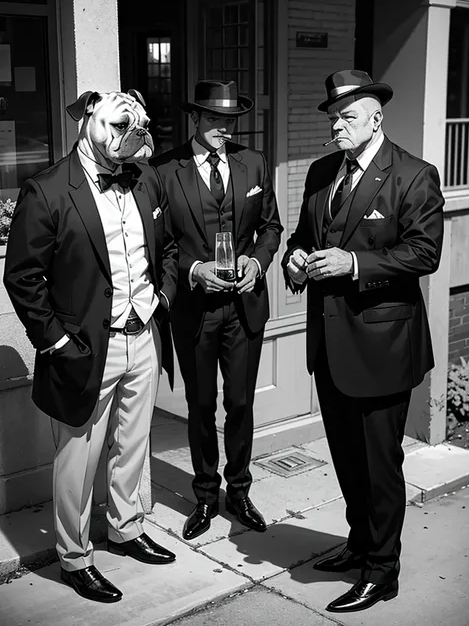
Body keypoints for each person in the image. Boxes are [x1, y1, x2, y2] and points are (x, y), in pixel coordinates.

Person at [4, 90, 178, 603]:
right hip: (82, 347)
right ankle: (75, 557)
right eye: (121, 124)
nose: (136, 133)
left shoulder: (146, 177)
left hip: (143, 333)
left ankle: (127, 528)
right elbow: (23, 278)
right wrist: (57, 340)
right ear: (87, 119)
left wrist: (162, 296)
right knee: (77, 461)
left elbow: (164, 247)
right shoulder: (49, 188)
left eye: (142, 125)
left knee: (133, 446)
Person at [282, 70, 444, 613]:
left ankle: (383, 569)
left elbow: (424, 254)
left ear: (377, 118)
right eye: (333, 118)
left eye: (347, 117)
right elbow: (303, 237)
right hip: (328, 344)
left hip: (382, 346)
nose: (337, 127)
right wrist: (294, 261)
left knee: (379, 465)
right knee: (348, 460)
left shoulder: (414, 176)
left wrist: (354, 264)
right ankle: (358, 544)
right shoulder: (322, 171)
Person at [151, 80, 282, 540]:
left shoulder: (254, 164)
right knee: (200, 404)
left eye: (229, 121)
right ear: (195, 119)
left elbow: (271, 228)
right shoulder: (164, 170)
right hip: (196, 310)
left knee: (240, 403)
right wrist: (193, 270)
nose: (223, 129)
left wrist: (257, 260)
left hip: (244, 306)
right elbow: (159, 245)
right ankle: (206, 495)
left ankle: (240, 490)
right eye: (213, 120)